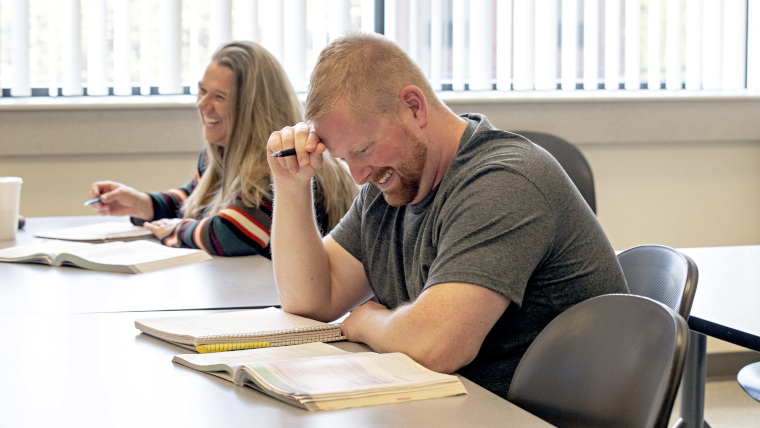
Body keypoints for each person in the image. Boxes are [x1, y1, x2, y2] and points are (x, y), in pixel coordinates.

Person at [266, 32, 628, 399]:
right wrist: (292, 185)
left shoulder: (503, 181)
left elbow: (437, 345)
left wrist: (365, 322)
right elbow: (311, 299)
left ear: (414, 107)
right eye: (345, 159)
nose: (359, 176)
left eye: (363, 149)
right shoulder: (388, 186)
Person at [89, 41, 358, 257]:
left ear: (253, 108)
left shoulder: (284, 161)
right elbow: (193, 200)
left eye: (219, 97)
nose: (202, 105)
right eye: (201, 91)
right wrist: (142, 204)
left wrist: (177, 230)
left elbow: (232, 234)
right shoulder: (219, 154)